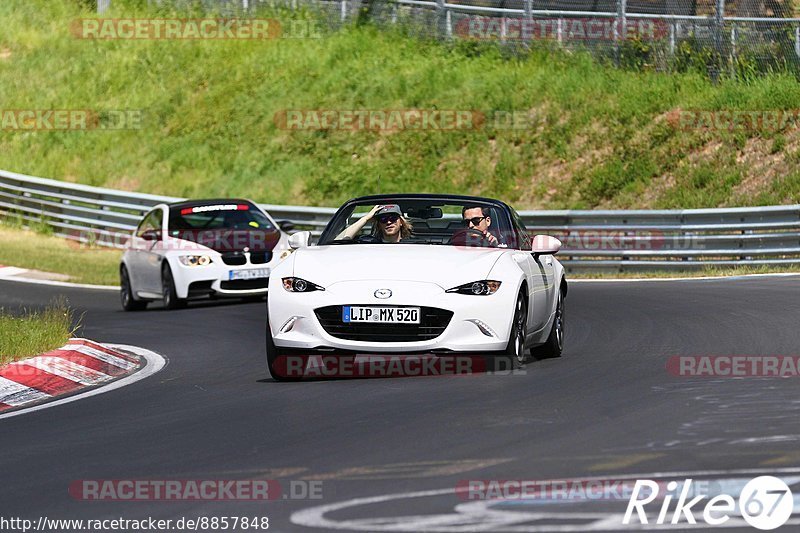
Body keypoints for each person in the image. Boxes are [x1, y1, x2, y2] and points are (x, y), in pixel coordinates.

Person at [335, 204, 413, 243]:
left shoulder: (413, 245)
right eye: (383, 219)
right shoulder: (367, 243)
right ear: (378, 225)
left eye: (393, 218)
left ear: (401, 222)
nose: (388, 222)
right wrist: (366, 218)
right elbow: (337, 242)